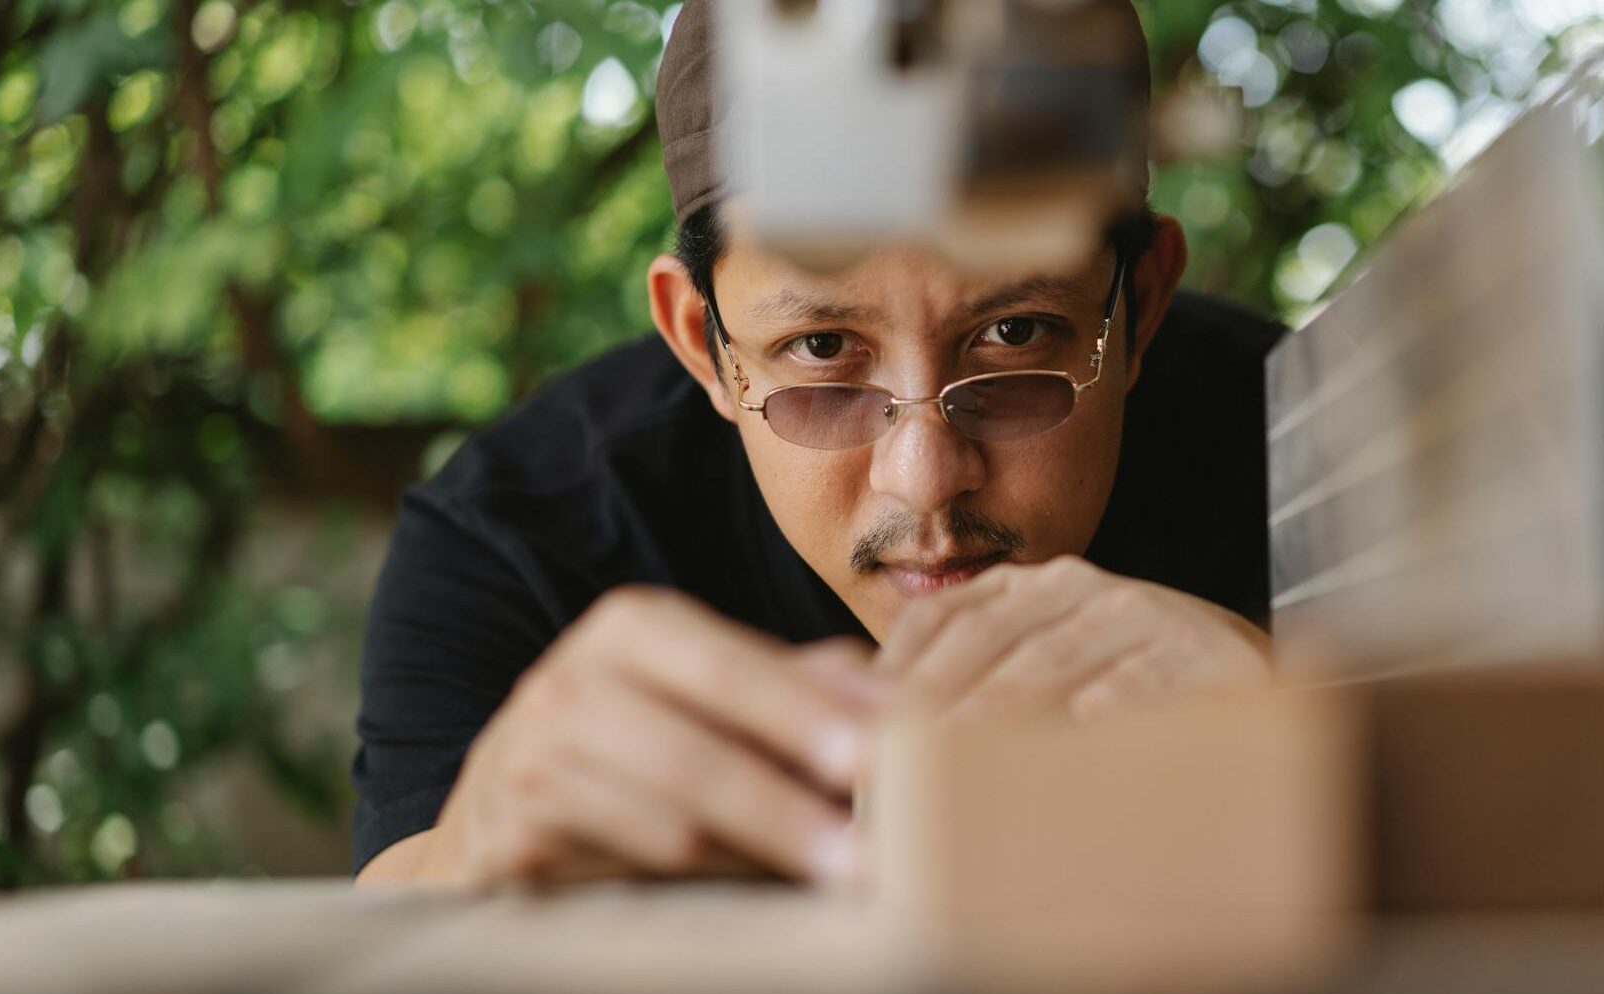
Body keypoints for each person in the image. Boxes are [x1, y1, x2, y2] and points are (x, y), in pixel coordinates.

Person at [353, 0, 1281, 888]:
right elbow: (392, 924)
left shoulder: (1317, 453)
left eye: (1016, 335)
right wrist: (475, 855)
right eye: (823, 351)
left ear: (1141, 304)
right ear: (702, 344)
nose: (924, 480)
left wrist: (1333, 732)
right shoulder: (516, 536)